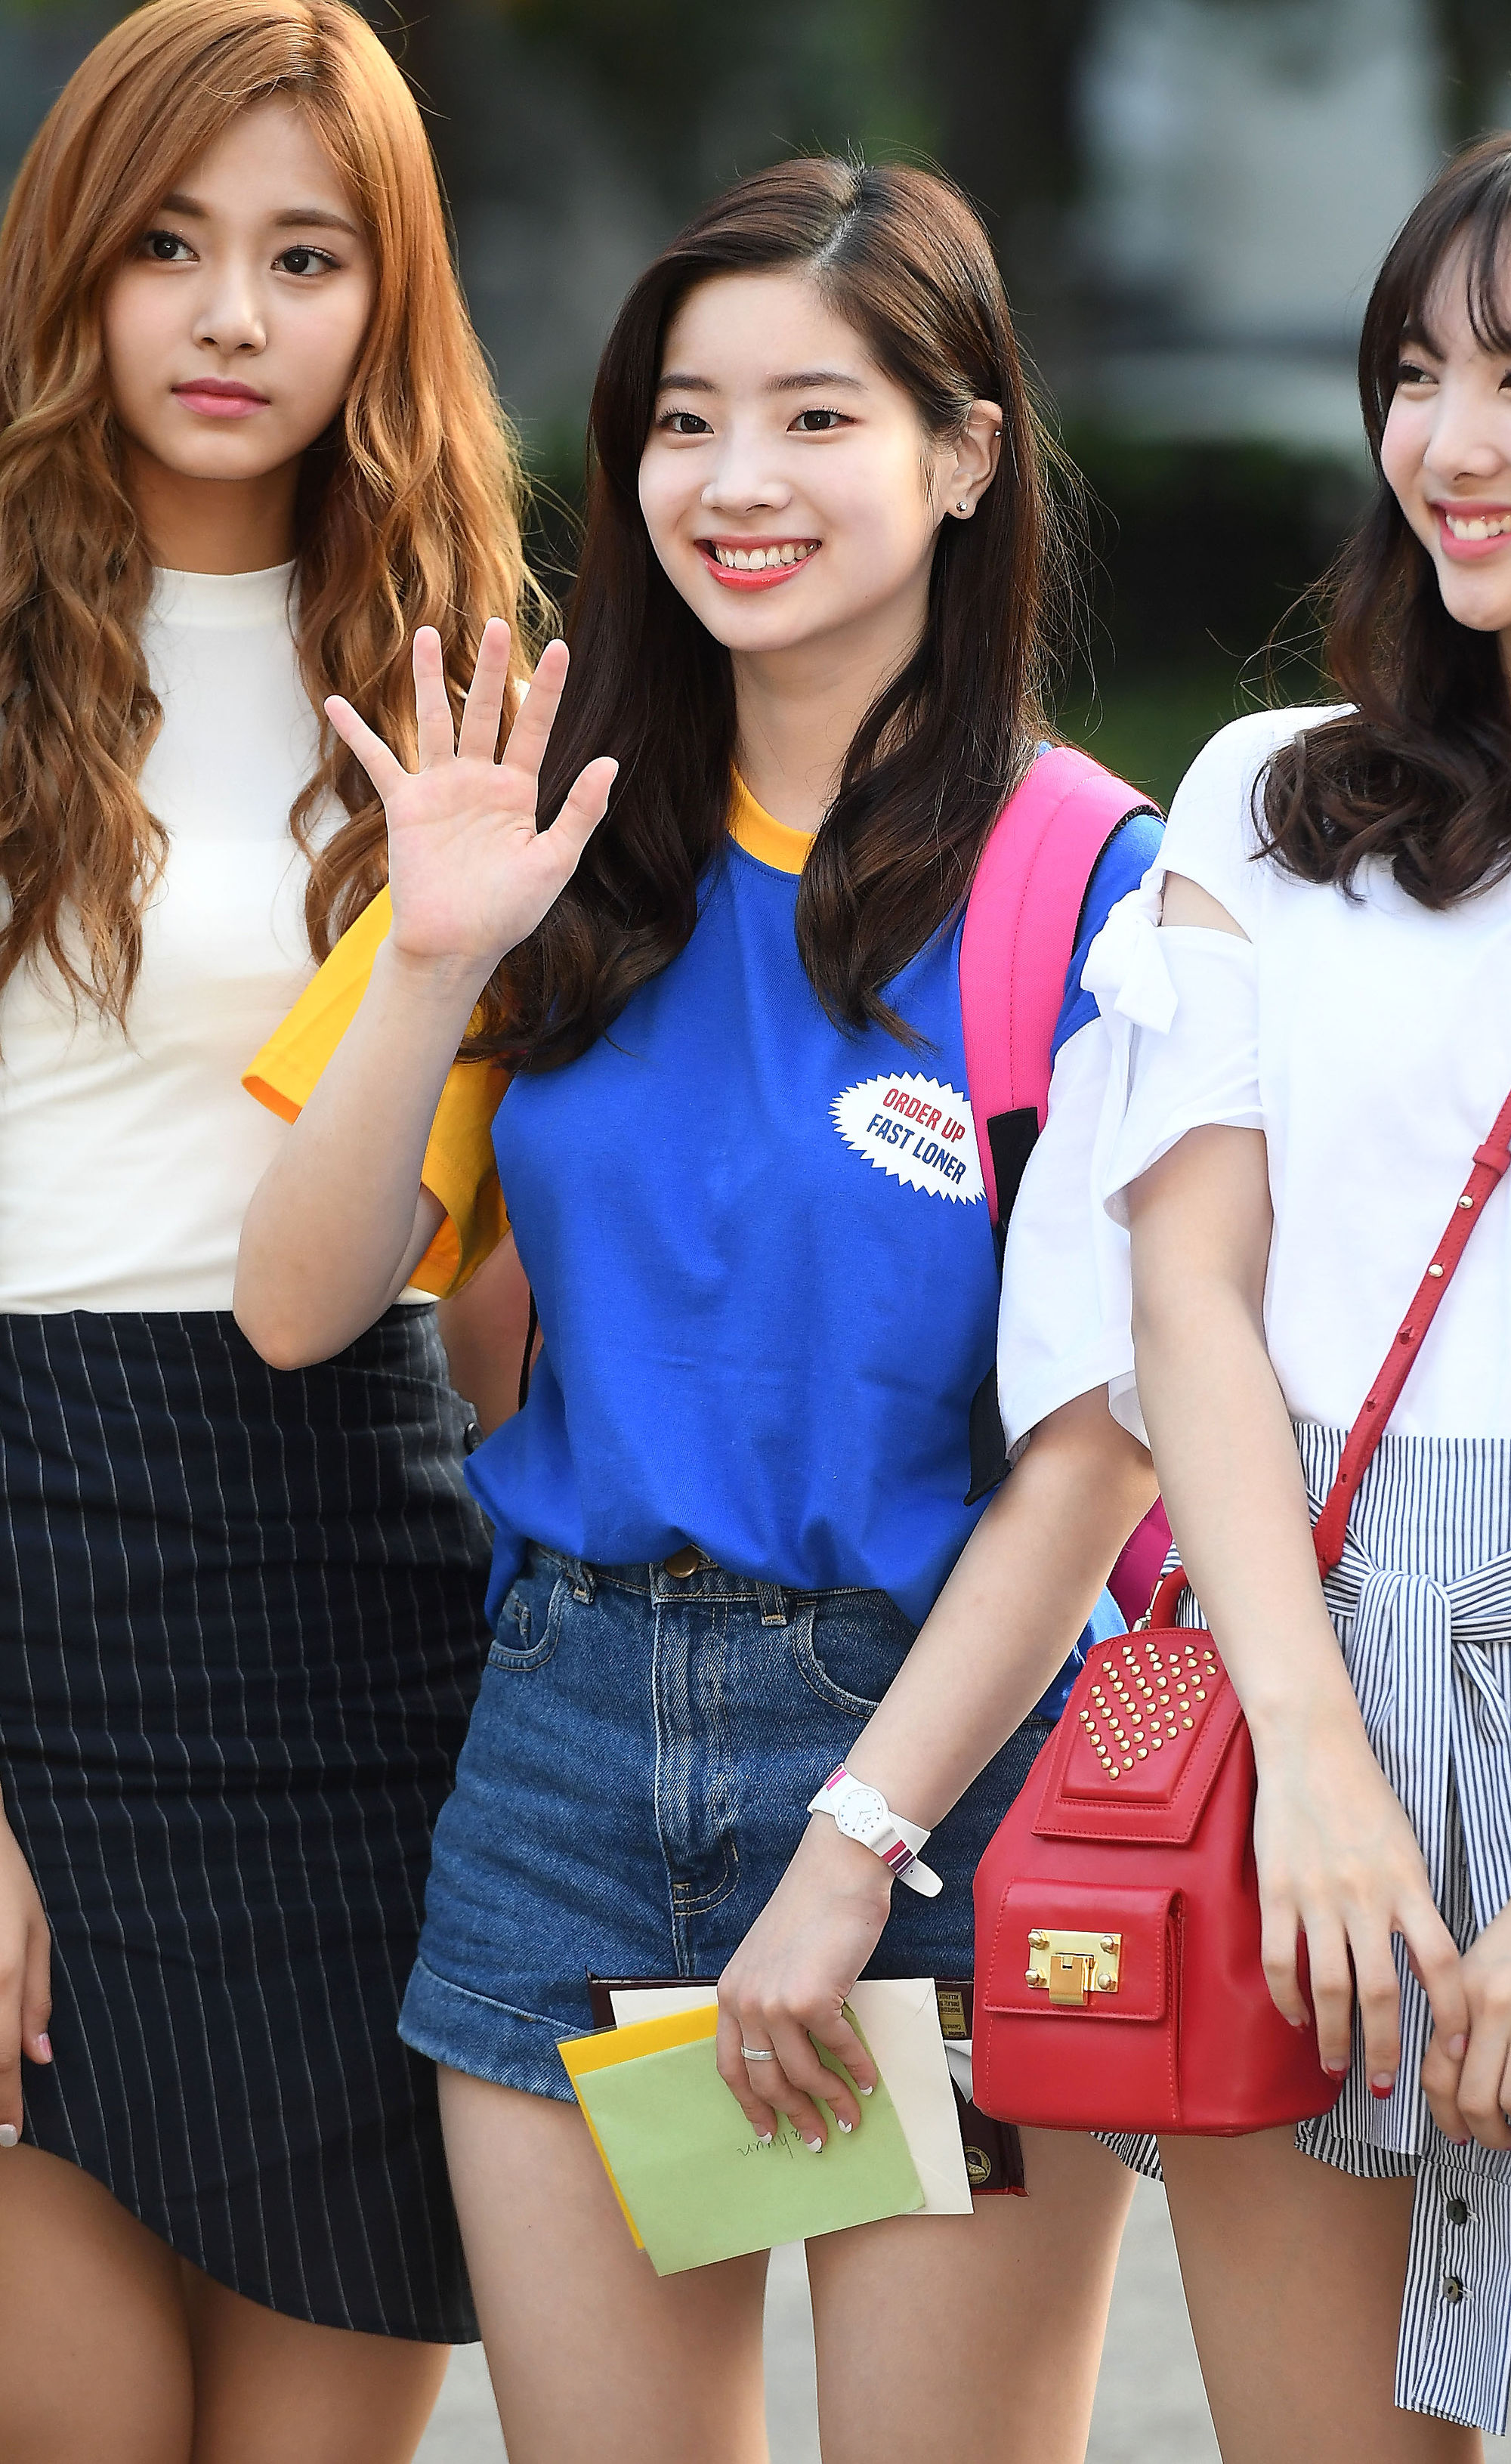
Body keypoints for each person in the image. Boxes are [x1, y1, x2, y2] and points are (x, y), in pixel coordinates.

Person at [235, 159, 1160, 2464]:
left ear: (966, 454)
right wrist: (431, 955)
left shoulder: (1092, 882)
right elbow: (301, 1306)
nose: (737, 481)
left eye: (817, 417)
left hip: (941, 1783)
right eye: (683, 420)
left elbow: (1100, 1446)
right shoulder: (546, 839)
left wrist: (853, 1855)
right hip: (567, 1761)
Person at [0, 3, 540, 2456]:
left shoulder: (477, 673)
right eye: (169, 245)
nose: (233, 317)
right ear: (72, 265)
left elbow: (511, 1247)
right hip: (40, 1585)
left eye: (306, 257)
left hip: (371, 1620)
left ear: (387, 292)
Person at [1074, 134, 1511, 2464]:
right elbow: (1191, 1298)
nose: (1453, 441)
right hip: (1306, 1650)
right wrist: (1318, 1769)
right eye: (1416, 373)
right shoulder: (1267, 800)